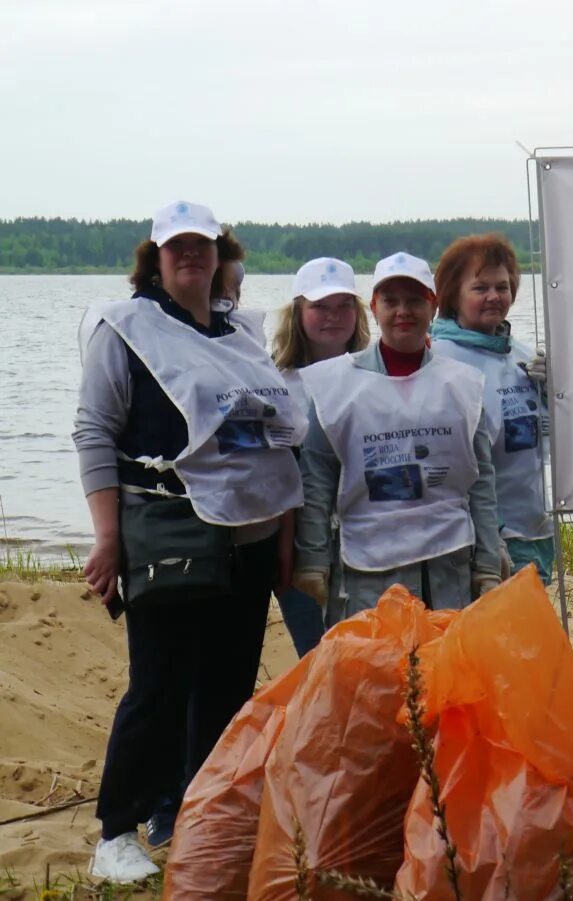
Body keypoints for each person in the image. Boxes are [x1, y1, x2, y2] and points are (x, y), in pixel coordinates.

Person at [74, 201, 305, 882]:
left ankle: (201, 816)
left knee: (227, 686)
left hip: (250, 540)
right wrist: (107, 538)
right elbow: (94, 432)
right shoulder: (125, 332)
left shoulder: (239, 335)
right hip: (170, 534)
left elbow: (277, 443)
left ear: (219, 254)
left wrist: (285, 539)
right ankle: (116, 829)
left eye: (201, 245)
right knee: (158, 685)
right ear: (155, 258)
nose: (190, 257)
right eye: (176, 247)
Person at [291, 252, 504, 619]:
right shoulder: (335, 386)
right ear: (374, 308)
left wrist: (487, 562)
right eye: (391, 301)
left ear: (433, 307)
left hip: (449, 568)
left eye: (415, 300)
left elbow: (481, 479)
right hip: (368, 575)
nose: (403, 310)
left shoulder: (462, 385)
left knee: (445, 674)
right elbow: (317, 479)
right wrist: (312, 559)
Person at [429, 234, 556, 584]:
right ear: (452, 295)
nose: (494, 297)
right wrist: (488, 537)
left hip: (532, 527)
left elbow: (545, 442)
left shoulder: (524, 355)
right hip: (475, 539)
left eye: (502, 286)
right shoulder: (437, 359)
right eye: (480, 288)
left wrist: (554, 398)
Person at [269, 257, 369, 656]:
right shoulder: (275, 383)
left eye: (344, 305)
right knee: (317, 659)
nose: (333, 317)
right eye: (320, 307)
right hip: (300, 550)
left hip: (368, 546)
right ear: (298, 313)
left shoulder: (377, 376)